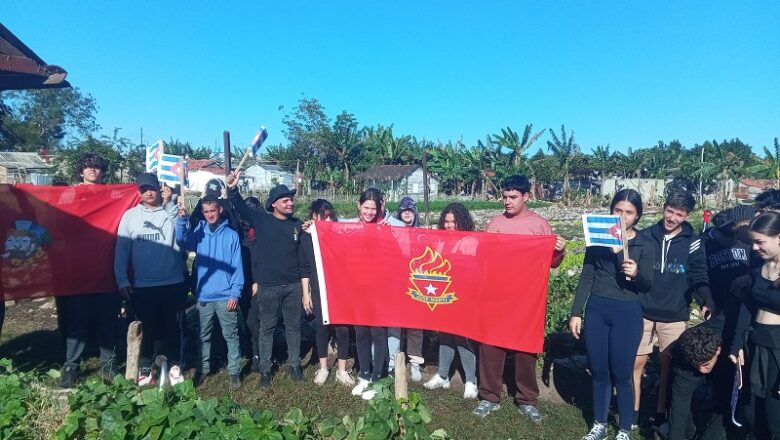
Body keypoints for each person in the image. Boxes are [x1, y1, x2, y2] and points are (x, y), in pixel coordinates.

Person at [472, 175, 567, 421]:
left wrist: (559, 250)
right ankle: (489, 396)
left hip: (527, 300)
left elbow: (553, 263)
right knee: (490, 347)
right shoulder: (494, 223)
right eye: (504, 197)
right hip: (496, 296)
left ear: (526, 196)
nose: (507, 202)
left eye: (512, 197)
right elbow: (483, 259)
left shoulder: (540, 225)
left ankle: (527, 399)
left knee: (526, 349)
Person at [570, 189, 655, 440]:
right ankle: (599, 424)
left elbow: (647, 285)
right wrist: (577, 312)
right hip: (597, 309)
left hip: (626, 313)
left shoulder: (644, 244)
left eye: (629, 212)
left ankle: (625, 428)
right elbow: (587, 275)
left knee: (621, 373)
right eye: (618, 210)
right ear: (611, 211)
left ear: (637, 216)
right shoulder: (598, 239)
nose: (622, 216)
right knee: (599, 371)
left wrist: (636, 274)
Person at [634, 190, 714, 434]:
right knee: (636, 364)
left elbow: (699, 276)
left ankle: (661, 414)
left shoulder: (694, 242)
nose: (672, 218)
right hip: (643, 311)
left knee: (670, 368)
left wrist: (706, 301)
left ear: (687, 215)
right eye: (670, 211)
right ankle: (633, 413)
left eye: (679, 214)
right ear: (663, 208)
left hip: (675, 314)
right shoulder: (646, 236)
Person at [226, 171, 308, 387]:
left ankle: (295, 366)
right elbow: (240, 207)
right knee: (267, 328)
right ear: (273, 204)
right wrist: (233, 189)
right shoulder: (261, 220)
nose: (290, 203)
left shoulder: (297, 225)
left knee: (293, 327)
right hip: (268, 286)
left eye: (291, 199)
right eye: (286, 200)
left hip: (292, 286)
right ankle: (265, 371)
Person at [114, 172, 188, 382]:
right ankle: (145, 366)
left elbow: (182, 235)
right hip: (143, 283)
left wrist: (170, 204)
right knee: (147, 326)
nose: (148, 193)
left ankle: (175, 365)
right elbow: (122, 250)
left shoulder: (171, 212)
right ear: (139, 192)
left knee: (174, 326)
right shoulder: (130, 216)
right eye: (144, 189)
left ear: (159, 189)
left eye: (152, 188)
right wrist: (122, 279)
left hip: (173, 281)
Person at [59, 153, 121, 388]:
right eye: (88, 167)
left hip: (106, 268)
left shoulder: (112, 194)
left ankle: (108, 364)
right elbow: (58, 220)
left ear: (103, 171)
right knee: (77, 321)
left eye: (97, 167)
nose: (93, 170)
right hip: (78, 269)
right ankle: (72, 366)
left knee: (108, 320)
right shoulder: (70, 194)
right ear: (81, 171)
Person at [176, 195, 244, 390]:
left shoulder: (231, 235)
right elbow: (182, 242)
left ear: (219, 209)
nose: (209, 215)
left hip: (225, 296)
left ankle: (234, 372)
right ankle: (204, 368)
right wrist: (182, 220)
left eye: (212, 211)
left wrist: (235, 293)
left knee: (230, 335)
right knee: (203, 335)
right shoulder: (199, 232)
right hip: (204, 296)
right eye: (206, 212)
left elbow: (237, 267)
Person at [730, 211, 780, 438]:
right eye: (752, 242)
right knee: (751, 412)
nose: (755, 248)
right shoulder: (760, 263)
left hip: (777, 352)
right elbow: (747, 306)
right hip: (755, 343)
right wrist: (737, 343)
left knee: (774, 416)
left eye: (760, 242)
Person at [423, 202, 479, 399]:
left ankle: (471, 381)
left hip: (463, 297)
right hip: (444, 295)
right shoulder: (440, 240)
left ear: (462, 221)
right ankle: (443, 375)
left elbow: (471, 270)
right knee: (445, 336)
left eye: (453, 222)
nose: (449, 226)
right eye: (446, 222)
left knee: (463, 338)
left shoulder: (470, 241)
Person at [344, 188, 392, 399]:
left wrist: (387, 234)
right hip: (357, 289)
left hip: (380, 291)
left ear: (379, 208)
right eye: (366, 207)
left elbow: (395, 256)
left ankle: (377, 376)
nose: (370, 212)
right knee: (361, 332)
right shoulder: (350, 228)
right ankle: (364, 374)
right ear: (358, 206)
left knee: (378, 333)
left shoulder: (386, 229)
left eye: (374, 208)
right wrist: (312, 227)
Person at [300, 199, 354, 387]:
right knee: (321, 327)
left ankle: (341, 369)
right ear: (314, 216)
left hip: (340, 289)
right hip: (318, 289)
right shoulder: (306, 236)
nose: (328, 221)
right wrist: (306, 293)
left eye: (330, 217)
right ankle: (323, 367)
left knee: (343, 329)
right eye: (324, 217)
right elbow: (305, 267)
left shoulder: (340, 233)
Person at [668, 323, 732, 440]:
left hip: (726, 364)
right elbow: (679, 402)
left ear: (718, 350)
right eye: (698, 365)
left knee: (725, 397)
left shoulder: (729, 343)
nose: (702, 370)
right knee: (679, 403)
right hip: (688, 366)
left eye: (706, 364)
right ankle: (689, 430)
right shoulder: (683, 351)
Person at [388, 196, 425, 381]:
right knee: (395, 323)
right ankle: (393, 360)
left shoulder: (423, 233)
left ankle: (415, 361)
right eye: (404, 210)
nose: (407, 212)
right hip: (396, 283)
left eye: (410, 209)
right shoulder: (393, 232)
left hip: (416, 284)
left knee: (415, 324)